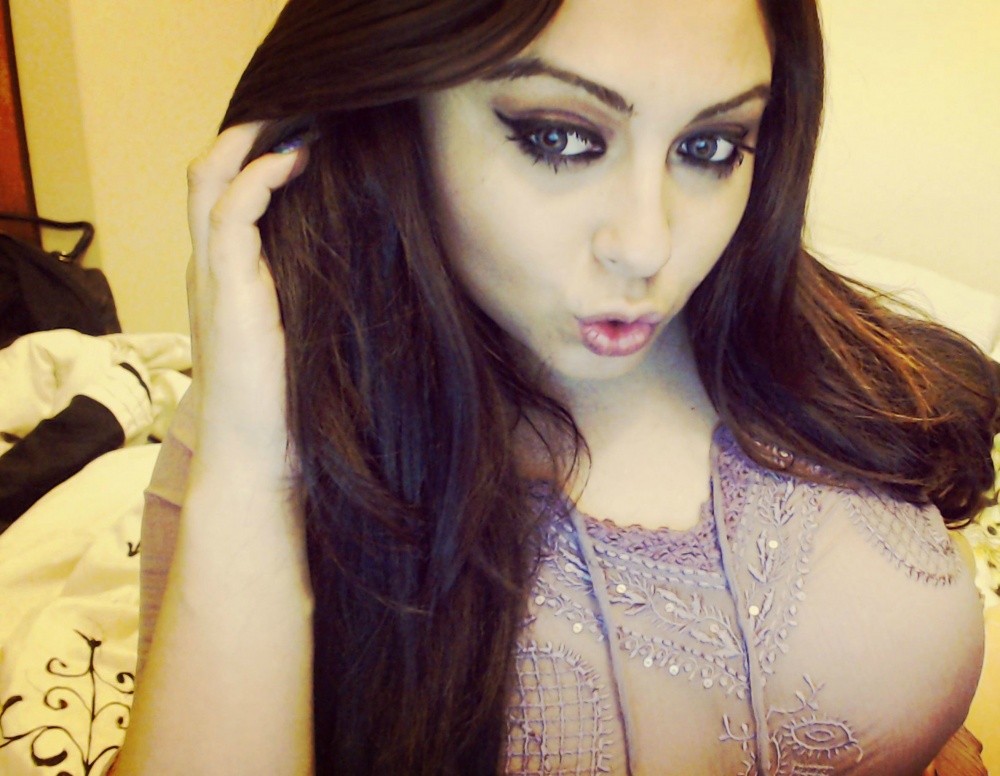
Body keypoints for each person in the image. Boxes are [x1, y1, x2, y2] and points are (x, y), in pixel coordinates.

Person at [113, 0, 1000, 773]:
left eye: (710, 146)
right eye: (561, 138)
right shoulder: (265, 435)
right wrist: (251, 465)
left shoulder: (810, 349)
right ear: (392, 106)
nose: (647, 246)